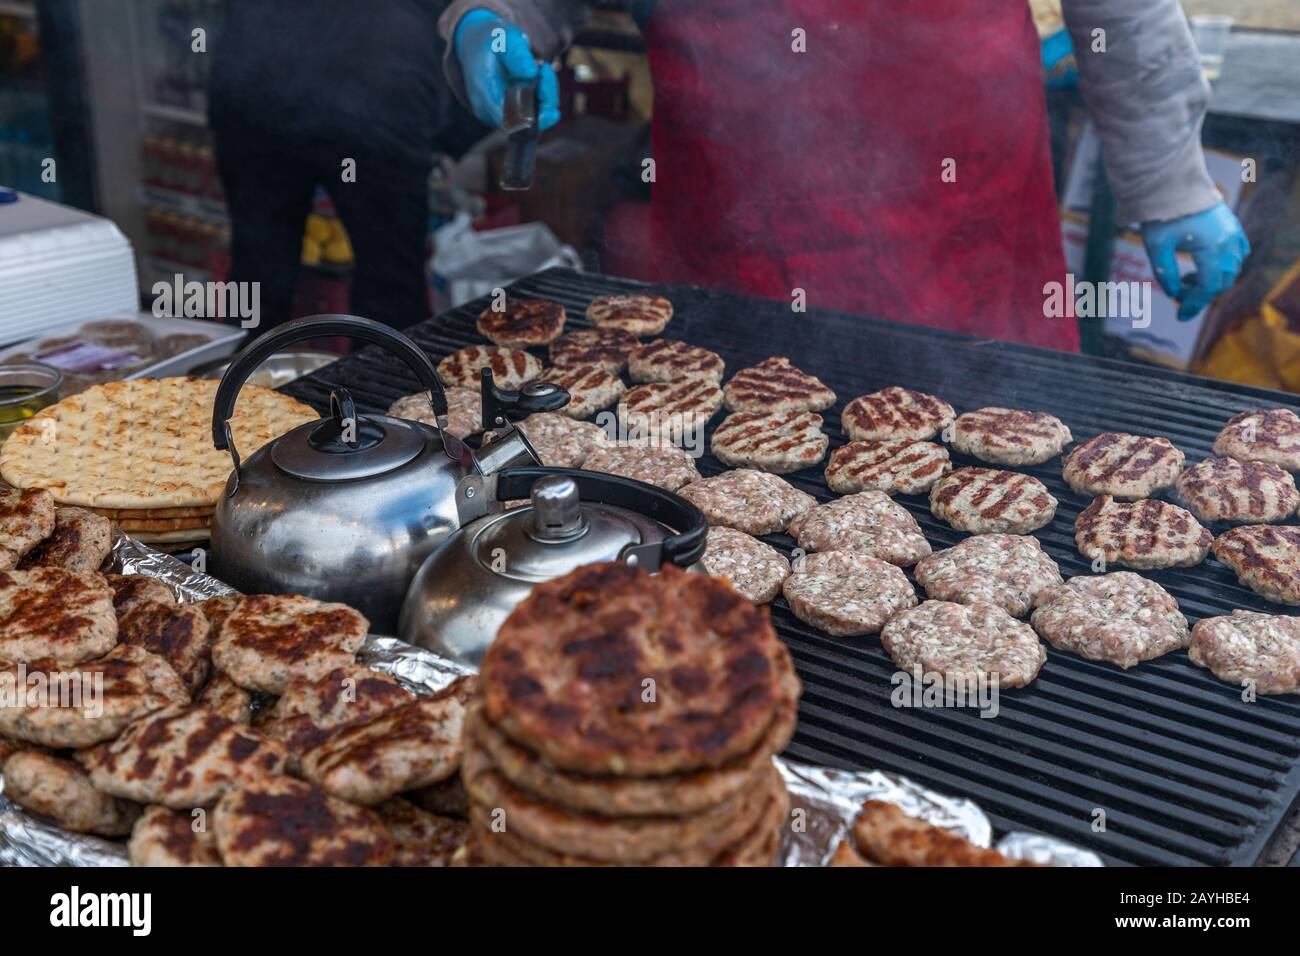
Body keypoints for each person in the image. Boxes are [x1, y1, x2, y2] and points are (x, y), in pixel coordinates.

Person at [437, 1, 1249, 351]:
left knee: (1002, 462)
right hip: (743, 229)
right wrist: (491, 25)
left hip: (966, 222)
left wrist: (1172, 180)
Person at [209, 0, 469, 333]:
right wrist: (454, 135)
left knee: (258, 276)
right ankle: (381, 382)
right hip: (379, 84)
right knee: (388, 290)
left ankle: (239, 377)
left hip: (260, 82)